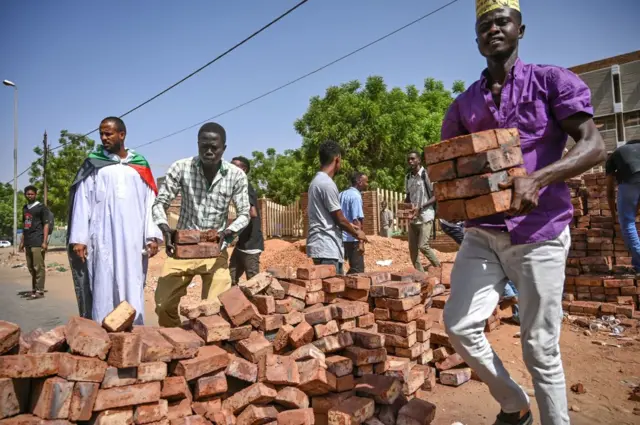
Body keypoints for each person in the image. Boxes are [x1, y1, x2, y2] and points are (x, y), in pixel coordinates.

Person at [441, 2, 606, 424]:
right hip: (483, 234)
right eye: (484, 25)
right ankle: (514, 406)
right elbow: (451, 168)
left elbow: (593, 145)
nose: (492, 29)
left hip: (540, 233)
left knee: (539, 347)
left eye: (501, 22)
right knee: (459, 325)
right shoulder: (463, 106)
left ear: (520, 29)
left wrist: (540, 178)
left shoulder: (550, 81)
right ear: (476, 38)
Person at [153, 122, 250, 327]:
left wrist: (229, 232)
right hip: (183, 249)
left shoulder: (236, 175)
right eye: (203, 146)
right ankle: (175, 339)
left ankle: (207, 349)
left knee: (215, 308)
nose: (208, 151)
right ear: (197, 144)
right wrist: (164, 228)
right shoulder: (181, 168)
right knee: (163, 304)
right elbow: (160, 204)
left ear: (224, 148)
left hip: (216, 249)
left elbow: (244, 214)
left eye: (214, 147)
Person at [68, 117, 162, 324]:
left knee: (133, 283)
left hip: (133, 239)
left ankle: (134, 333)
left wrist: (152, 236)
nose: (103, 138)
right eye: (101, 134)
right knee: (103, 284)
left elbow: (150, 203)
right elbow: (82, 201)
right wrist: (79, 238)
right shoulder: (94, 164)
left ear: (122, 135)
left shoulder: (140, 165)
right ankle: (103, 334)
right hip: (101, 238)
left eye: (108, 133)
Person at [438, 219, 519, 324]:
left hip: (466, 226)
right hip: (499, 228)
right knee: (503, 264)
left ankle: (508, 296)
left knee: (488, 263)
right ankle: (517, 313)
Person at [307, 140, 368, 275]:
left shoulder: (316, 181)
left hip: (322, 245)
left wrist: (351, 226)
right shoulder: (327, 184)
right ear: (337, 159)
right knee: (333, 291)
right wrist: (358, 233)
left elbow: (329, 216)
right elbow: (339, 219)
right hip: (327, 247)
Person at [606, 139, 640, 272]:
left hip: (630, 181)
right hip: (633, 182)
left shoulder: (615, 154)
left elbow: (609, 192)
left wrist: (615, 216)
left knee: (627, 223)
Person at [229, 156, 264, 284]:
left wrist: (231, 226)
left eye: (234, 166)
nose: (229, 169)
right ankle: (233, 304)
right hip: (242, 244)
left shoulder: (245, 186)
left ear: (243, 169)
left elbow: (252, 213)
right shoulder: (239, 186)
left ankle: (258, 304)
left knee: (254, 284)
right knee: (230, 279)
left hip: (251, 245)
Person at [405, 150, 441, 272]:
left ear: (419, 160)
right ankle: (421, 276)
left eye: (413, 159)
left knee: (423, 246)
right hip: (413, 217)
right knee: (413, 250)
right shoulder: (408, 177)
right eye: (408, 159)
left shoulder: (427, 175)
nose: (410, 161)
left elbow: (435, 196)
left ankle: (439, 269)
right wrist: (405, 210)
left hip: (426, 215)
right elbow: (408, 196)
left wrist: (421, 207)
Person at [18, 185, 51, 300]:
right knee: (31, 267)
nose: (30, 195)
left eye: (32, 194)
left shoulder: (41, 207)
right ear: (25, 195)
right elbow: (25, 225)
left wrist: (44, 241)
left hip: (38, 240)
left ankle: (40, 291)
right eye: (28, 194)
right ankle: (34, 289)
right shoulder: (25, 208)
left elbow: (46, 224)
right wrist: (21, 242)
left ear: (35, 195)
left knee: (38, 266)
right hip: (28, 240)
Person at [340, 172, 368, 274]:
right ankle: (349, 288)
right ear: (359, 182)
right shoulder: (356, 196)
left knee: (342, 268)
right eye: (366, 181)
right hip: (353, 238)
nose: (367, 184)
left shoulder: (341, 194)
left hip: (341, 237)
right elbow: (357, 220)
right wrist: (360, 241)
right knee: (358, 270)